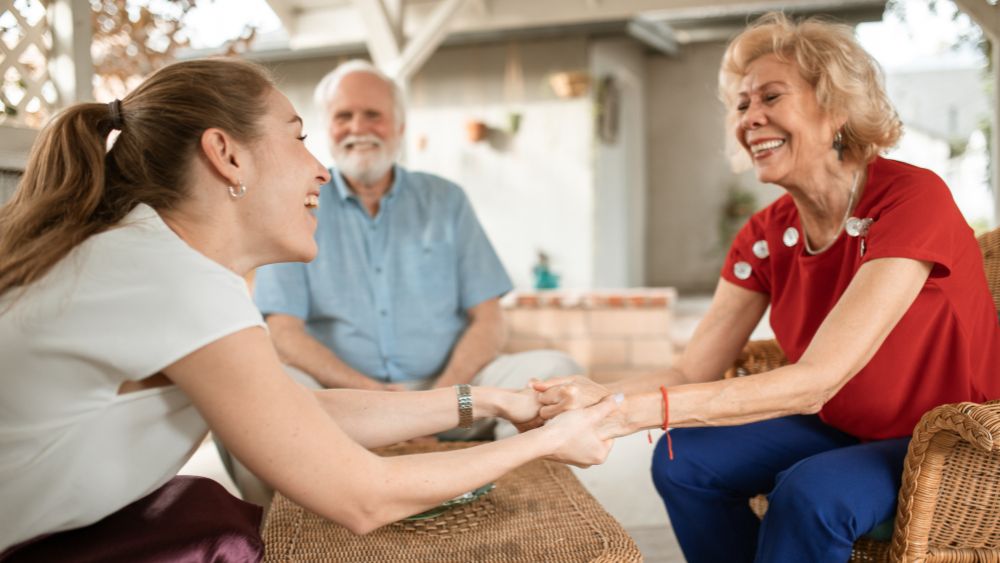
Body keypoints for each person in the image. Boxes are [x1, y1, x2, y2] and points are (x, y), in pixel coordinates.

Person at [0, 58, 623, 560]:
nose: (320, 169)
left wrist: (485, 400)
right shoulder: (173, 280)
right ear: (228, 154)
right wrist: (547, 442)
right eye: (299, 138)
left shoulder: (150, 256)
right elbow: (364, 498)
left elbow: (292, 412)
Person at [531, 13, 1000, 563]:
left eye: (771, 97)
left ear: (836, 109)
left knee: (810, 493)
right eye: (742, 104)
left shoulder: (911, 199)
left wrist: (627, 416)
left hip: (946, 441)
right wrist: (598, 397)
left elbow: (816, 381)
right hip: (841, 425)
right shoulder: (767, 232)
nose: (750, 118)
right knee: (684, 461)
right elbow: (690, 370)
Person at [252, 60, 582, 440]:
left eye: (373, 114)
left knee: (556, 372)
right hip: (345, 401)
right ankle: (287, 502)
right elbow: (283, 330)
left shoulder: (446, 200)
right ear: (327, 128)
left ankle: (516, 490)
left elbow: (489, 318)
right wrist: (372, 393)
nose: (358, 128)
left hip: (456, 395)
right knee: (258, 393)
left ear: (400, 127)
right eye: (344, 116)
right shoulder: (298, 204)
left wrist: (443, 396)